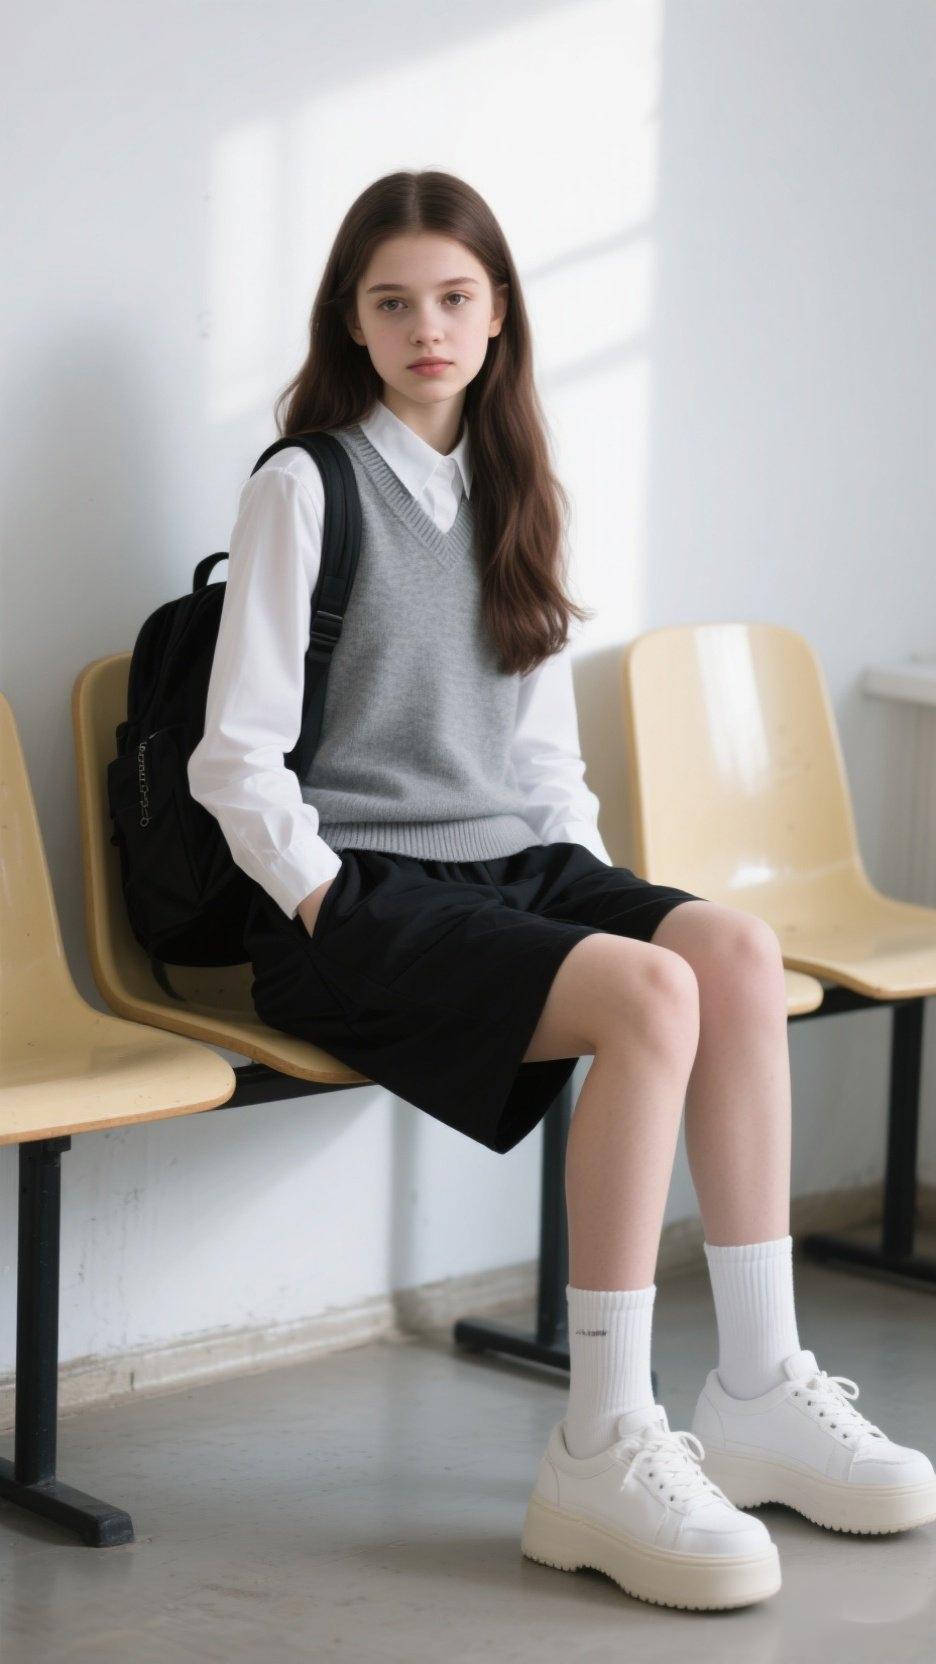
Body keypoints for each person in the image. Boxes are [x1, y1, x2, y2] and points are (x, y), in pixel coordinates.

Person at [187, 169, 936, 1612]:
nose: (426, 328)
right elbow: (238, 758)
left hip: (510, 865)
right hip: (356, 894)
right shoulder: (307, 485)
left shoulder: (515, 482)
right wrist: (324, 899)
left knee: (731, 950)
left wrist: (586, 886)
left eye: (453, 299)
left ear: (498, 315)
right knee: (652, 992)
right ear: (352, 321)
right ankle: (599, 1440)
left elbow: (538, 754)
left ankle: (759, 1384)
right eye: (393, 302)